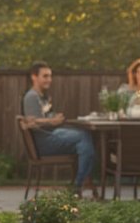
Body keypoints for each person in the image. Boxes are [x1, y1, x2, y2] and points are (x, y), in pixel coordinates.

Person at [22, 61, 95, 195]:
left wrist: (54, 117)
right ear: (34, 77)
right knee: (84, 138)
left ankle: (79, 182)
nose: (49, 79)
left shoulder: (42, 96)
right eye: (45, 76)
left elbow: (42, 116)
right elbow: (31, 122)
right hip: (44, 142)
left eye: (50, 76)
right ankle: (79, 184)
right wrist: (52, 121)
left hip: (51, 135)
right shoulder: (31, 97)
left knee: (84, 141)